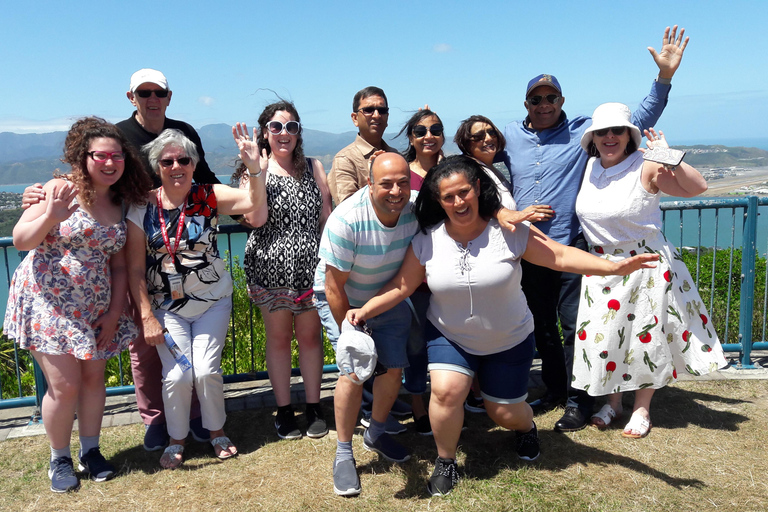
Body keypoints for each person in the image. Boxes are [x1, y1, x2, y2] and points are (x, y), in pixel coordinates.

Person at [346, 155, 659, 496]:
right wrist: (363, 310)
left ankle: (526, 429)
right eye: (448, 197)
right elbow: (402, 286)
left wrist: (612, 268)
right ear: (438, 200)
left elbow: (559, 255)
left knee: (503, 412)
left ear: (478, 188)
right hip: (450, 335)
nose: (457, 202)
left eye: (463, 192)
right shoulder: (427, 239)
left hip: (508, 338)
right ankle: (446, 460)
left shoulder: (508, 232)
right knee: (446, 392)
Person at [500, 26, 689, 432]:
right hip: (528, 247)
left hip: (572, 246)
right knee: (540, 325)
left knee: (576, 326)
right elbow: (476, 154)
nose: (544, 104)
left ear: (562, 101)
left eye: (551, 98)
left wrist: (664, 78)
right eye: (537, 99)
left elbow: (632, 122)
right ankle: (553, 387)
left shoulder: (582, 131)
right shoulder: (510, 136)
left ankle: (577, 400)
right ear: (527, 103)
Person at [22, 68, 221, 450]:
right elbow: (88, 171)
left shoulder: (184, 133)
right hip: (131, 249)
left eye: (158, 92)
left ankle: (193, 416)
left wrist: (244, 198)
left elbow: (205, 181)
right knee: (144, 345)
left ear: (168, 96)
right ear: (131, 96)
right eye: (143, 92)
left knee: (179, 345)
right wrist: (43, 194)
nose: (152, 98)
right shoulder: (118, 136)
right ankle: (155, 419)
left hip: (173, 255)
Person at [3, 117, 152, 492]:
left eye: (116, 155)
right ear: (82, 157)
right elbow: (21, 239)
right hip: (47, 301)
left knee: (93, 380)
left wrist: (115, 311)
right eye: (100, 155)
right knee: (64, 385)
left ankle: (91, 450)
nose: (109, 162)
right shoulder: (59, 190)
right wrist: (51, 216)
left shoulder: (119, 201)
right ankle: (60, 458)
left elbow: (118, 263)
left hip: (94, 306)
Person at [572, 103, 727, 437]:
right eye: (602, 132)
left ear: (629, 135)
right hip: (602, 266)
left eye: (617, 131)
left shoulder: (646, 164)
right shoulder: (588, 167)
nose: (609, 137)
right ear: (593, 138)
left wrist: (670, 156)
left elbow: (697, 187)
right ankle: (613, 404)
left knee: (645, 338)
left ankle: (641, 409)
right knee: (607, 334)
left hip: (645, 264)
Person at [125, 128, 266, 469]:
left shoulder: (208, 195)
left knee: (204, 371)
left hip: (212, 301)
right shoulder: (141, 206)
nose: (177, 166)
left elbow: (251, 203)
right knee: (176, 376)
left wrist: (254, 168)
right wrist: (145, 316)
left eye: (183, 159)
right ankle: (176, 439)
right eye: (167, 160)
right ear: (157, 166)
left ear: (194, 163)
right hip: (165, 307)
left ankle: (216, 431)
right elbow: (132, 270)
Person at [315, 153, 418, 496]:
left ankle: (375, 431)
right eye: (386, 183)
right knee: (354, 370)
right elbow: (333, 287)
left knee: (392, 368)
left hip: (387, 295)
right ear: (369, 184)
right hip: (342, 295)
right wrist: (353, 331)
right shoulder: (348, 219)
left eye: (403, 182)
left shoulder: (415, 210)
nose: (395, 191)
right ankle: (344, 452)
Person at [233, 101, 333, 440]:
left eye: (291, 127)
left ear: (299, 132)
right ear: (264, 132)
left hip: (310, 270)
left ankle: (314, 405)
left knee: (309, 338)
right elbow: (255, 219)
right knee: (278, 340)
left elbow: (327, 219)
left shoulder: (315, 167)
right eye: (276, 127)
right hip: (269, 271)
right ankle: (284, 409)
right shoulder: (255, 171)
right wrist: (255, 170)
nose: (284, 134)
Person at [394, 109, 447, 434]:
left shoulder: (452, 171)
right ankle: (418, 405)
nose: (429, 135)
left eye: (436, 129)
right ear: (411, 137)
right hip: (413, 277)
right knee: (415, 346)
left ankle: (448, 401)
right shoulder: (404, 175)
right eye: (420, 130)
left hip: (450, 272)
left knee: (449, 339)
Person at [327, 86, 398, 205]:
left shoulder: (395, 156)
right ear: (355, 118)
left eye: (382, 110)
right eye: (368, 110)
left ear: (387, 117)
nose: (376, 115)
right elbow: (347, 208)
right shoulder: (345, 160)